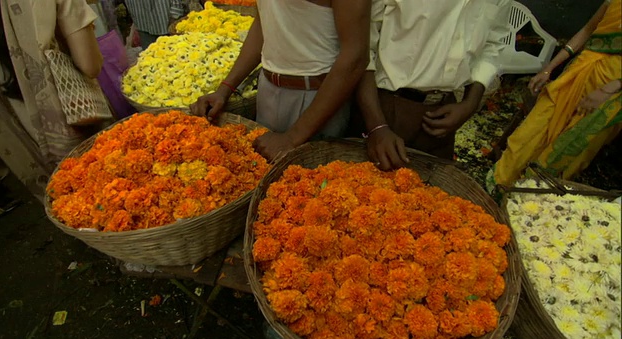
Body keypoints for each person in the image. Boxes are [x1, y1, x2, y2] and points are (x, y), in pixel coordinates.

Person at [190, 0, 371, 161]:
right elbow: (265, 22)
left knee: (305, 185)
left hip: (317, 98)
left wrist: (292, 138)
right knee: (261, 174)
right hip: (268, 90)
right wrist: (225, 89)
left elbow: (355, 58)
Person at [354, 0, 511, 170]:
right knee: (363, 188)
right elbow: (361, 46)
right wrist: (376, 126)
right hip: (385, 108)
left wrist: (470, 103)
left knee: (429, 190)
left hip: (444, 115)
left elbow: (492, 44)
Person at [0, 0, 107, 201]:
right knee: (116, 195)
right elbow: (90, 65)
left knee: (77, 208)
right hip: (78, 117)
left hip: (30, 133)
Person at [490, 0, 621, 188]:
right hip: (577, 74)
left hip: (611, 95)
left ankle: (528, 202)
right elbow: (586, 31)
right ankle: (496, 188)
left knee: (569, 148)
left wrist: (607, 90)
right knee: (532, 130)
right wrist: (548, 69)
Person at [124, 0, 189, 50]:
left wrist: (175, 14)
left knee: (175, 55)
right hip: (142, 21)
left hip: (165, 20)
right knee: (150, 58)